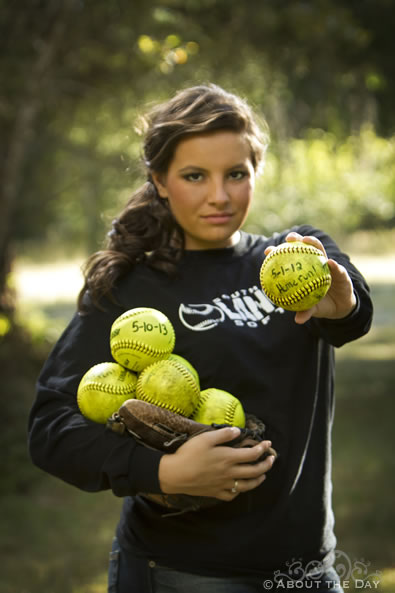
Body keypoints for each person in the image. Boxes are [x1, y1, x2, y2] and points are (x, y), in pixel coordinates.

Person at [28, 83, 373, 593]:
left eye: (236, 174)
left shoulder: (299, 253)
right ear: (159, 181)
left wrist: (342, 303)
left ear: (256, 171)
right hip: (179, 572)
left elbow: (352, 314)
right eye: (195, 176)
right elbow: (49, 427)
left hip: (306, 571)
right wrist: (161, 472)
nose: (220, 196)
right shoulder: (132, 288)